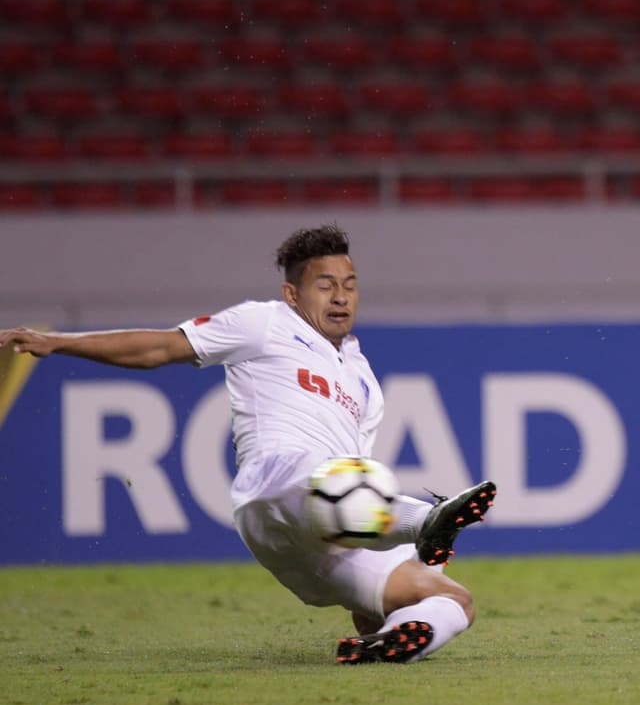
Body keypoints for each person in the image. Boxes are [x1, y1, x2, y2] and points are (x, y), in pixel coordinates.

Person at [0, 224, 496, 664]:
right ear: (292, 294)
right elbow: (159, 347)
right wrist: (59, 342)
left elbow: (354, 498)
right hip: (278, 481)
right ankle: (426, 520)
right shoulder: (265, 323)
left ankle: (388, 642)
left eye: (349, 285)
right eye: (325, 285)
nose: (341, 297)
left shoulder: (364, 379)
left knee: (453, 600)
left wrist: (374, 607)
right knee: (345, 482)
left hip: (317, 532)